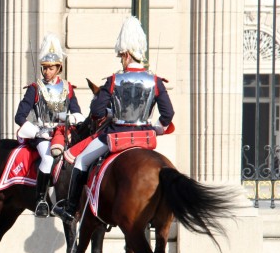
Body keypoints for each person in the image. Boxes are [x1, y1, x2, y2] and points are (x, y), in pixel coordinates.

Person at [53, 16, 174, 223]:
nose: (121, 59)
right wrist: (157, 129)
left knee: (81, 161)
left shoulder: (114, 80)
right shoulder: (155, 81)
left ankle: (71, 207)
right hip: (145, 138)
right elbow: (168, 114)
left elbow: (97, 110)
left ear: (126, 54)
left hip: (117, 137)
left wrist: (111, 114)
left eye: (121, 56)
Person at [14, 33, 84, 217]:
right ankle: (41, 200)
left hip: (64, 132)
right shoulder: (35, 88)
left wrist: (72, 118)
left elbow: (77, 111)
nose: (46, 72)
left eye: (51, 68)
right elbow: (20, 116)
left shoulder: (68, 88)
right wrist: (37, 131)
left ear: (58, 68)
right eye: (44, 68)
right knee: (47, 158)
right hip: (42, 133)